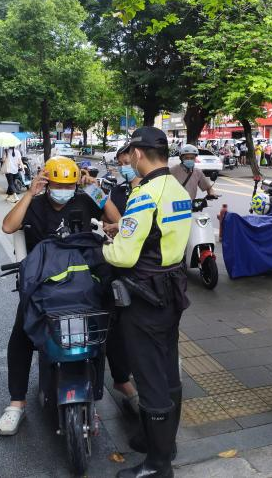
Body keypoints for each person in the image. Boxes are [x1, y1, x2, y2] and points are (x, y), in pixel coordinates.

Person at [102, 127, 192, 478]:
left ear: (138, 154)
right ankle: (163, 444)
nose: (128, 161)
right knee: (168, 368)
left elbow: (123, 256)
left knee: (150, 376)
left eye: (129, 155)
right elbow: (160, 234)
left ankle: (158, 466)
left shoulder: (144, 194)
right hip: (171, 291)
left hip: (144, 295)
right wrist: (125, 229)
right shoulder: (177, 188)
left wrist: (105, 246)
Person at [0, 157, 103, 435]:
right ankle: (17, 403)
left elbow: (115, 219)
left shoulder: (84, 200)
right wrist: (29, 193)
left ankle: (102, 392)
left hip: (81, 282)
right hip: (42, 284)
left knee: (101, 328)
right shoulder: (35, 204)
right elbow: (8, 226)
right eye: (57, 185)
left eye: (69, 185)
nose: (63, 190)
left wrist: (95, 189)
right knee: (21, 334)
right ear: (47, 183)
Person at [99, 143, 141, 413]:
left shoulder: (152, 191)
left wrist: (120, 226)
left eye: (128, 163)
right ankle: (122, 379)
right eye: (121, 164)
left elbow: (131, 226)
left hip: (147, 272)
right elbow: (109, 220)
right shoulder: (118, 191)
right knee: (116, 325)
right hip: (120, 267)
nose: (124, 168)